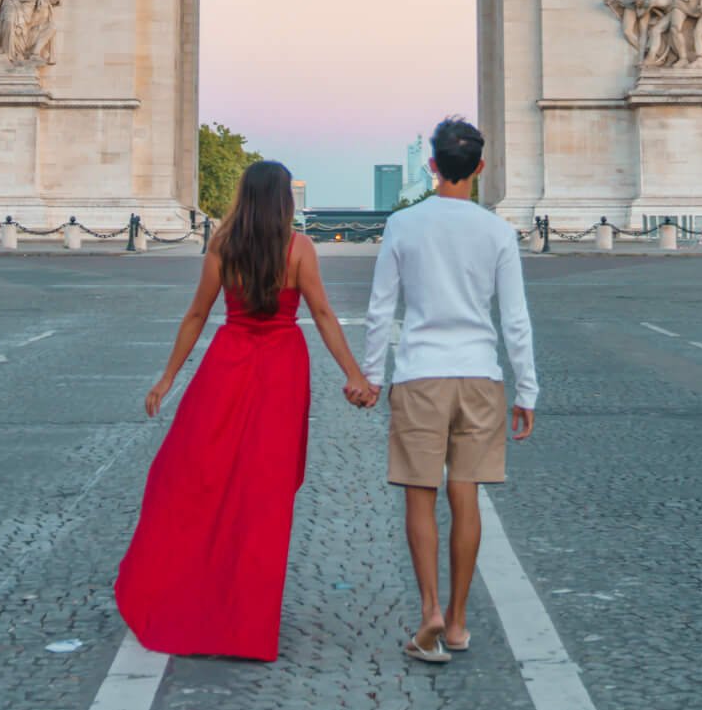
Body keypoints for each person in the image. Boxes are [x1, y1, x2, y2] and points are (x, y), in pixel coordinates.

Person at [115, 160, 376, 661]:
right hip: (282, 366)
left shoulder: (222, 245)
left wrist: (169, 376)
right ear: (285, 200)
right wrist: (354, 374)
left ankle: (185, 590)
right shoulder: (299, 249)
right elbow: (322, 314)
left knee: (196, 479)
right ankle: (247, 621)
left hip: (228, 362)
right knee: (265, 494)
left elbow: (197, 313)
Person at [362, 117, 538, 665]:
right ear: (480, 169)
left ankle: (430, 611)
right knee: (467, 498)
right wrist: (526, 390)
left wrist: (371, 376)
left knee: (421, 497)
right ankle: (459, 623)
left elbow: (379, 308)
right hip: (480, 376)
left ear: (432, 165)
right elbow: (515, 319)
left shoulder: (403, 225)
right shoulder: (498, 232)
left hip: (420, 374)